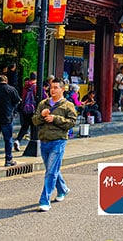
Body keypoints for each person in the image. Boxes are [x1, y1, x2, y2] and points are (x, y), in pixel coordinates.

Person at [32, 78, 77, 212]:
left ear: (63, 89)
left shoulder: (68, 105)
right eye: (51, 87)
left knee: (51, 172)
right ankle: (63, 189)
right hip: (44, 141)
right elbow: (34, 121)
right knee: (52, 170)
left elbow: (71, 122)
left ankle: (44, 201)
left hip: (58, 141)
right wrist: (41, 115)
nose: (52, 90)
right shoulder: (43, 103)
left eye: (56, 87)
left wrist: (55, 118)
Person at [0, 74, 21, 167]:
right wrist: (13, 109)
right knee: (8, 139)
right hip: (7, 117)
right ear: (6, 81)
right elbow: (17, 101)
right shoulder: (11, 89)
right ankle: (8, 159)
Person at [15, 72, 38, 152]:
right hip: (33, 109)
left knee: (25, 126)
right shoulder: (35, 86)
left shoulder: (25, 86)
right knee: (33, 126)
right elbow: (37, 97)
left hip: (25, 109)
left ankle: (18, 140)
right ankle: (32, 143)